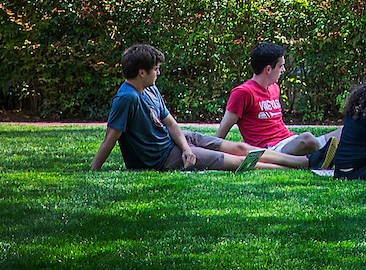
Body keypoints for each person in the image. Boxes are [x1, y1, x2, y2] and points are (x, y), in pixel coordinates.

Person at [89, 44, 254, 174]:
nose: (158, 73)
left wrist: (186, 148)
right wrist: (94, 171)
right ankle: (273, 169)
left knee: (240, 148)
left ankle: (272, 156)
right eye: (155, 69)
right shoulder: (126, 98)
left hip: (175, 140)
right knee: (238, 161)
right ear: (142, 72)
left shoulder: (150, 89)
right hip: (162, 157)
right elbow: (110, 138)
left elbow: (171, 123)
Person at [214, 41, 336, 169]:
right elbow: (222, 131)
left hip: (289, 141)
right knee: (308, 139)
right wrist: (211, 153)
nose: (283, 70)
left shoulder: (274, 88)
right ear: (268, 69)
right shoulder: (243, 93)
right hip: (271, 150)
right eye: (281, 66)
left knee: (341, 133)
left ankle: (324, 155)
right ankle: (324, 155)